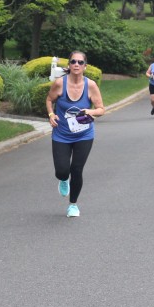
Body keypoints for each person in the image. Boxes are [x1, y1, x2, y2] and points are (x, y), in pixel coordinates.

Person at [46, 51, 105, 218]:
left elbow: (101, 109)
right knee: (62, 170)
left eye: (80, 62)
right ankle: (64, 179)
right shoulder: (60, 83)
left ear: (85, 66)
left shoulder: (90, 85)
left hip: (84, 135)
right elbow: (49, 100)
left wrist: (90, 111)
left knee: (77, 169)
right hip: (61, 134)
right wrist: (51, 114)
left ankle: (73, 205)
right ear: (69, 65)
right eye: (73, 61)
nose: (76, 64)